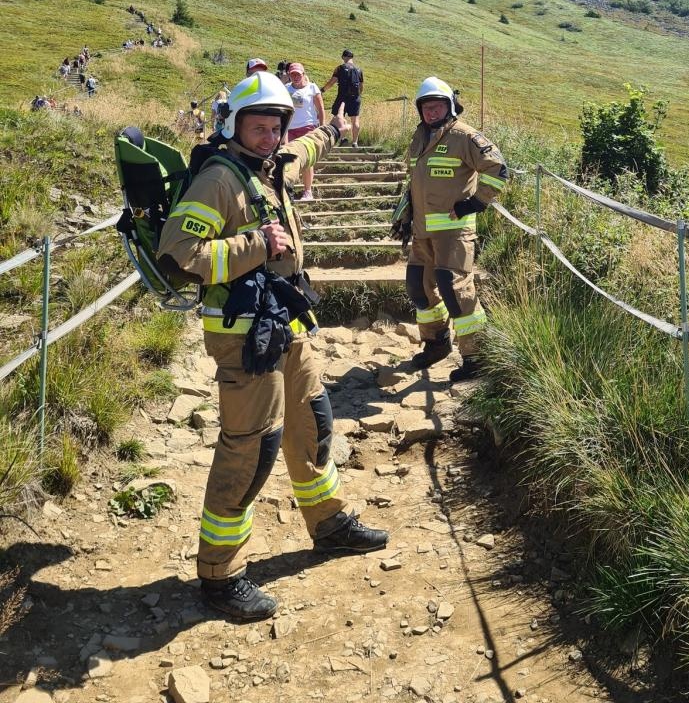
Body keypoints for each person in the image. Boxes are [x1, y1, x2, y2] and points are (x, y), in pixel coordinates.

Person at [156, 69, 388, 621]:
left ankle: (328, 523)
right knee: (250, 448)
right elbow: (178, 255)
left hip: (286, 322)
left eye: (274, 127)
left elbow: (307, 146)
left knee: (313, 421)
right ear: (235, 125)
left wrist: (331, 126)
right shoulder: (219, 179)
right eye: (256, 127)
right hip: (244, 337)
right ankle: (220, 574)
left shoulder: (271, 165)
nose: (267, 136)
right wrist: (256, 242)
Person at [399, 76, 508, 383]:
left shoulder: (464, 136)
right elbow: (415, 184)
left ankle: (476, 357)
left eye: (437, 107)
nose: (431, 113)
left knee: (455, 290)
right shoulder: (419, 137)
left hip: (454, 234)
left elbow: (498, 169)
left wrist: (474, 204)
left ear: (450, 107)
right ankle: (436, 343)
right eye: (426, 108)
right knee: (417, 287)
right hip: (422, 233)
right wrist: (406, 217)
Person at [286, 63, 326, 201]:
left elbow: (321, 109)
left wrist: (322, 127)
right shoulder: (286, 89)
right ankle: (288, 188)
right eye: (293, 74)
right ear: (289, 75)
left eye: (298, 74)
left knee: (307, 160)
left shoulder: (312, 88)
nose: (295, 77)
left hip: (308, 126)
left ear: (303, 74)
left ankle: (308, 191)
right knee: (289, 159)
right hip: (290, 128)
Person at [321, 50, 363, 147]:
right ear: (352, 57)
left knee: (338, 118)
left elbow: (332, 82)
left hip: (342, 97)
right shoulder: (359, 69)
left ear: (344, 57)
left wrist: (322, 90)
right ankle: (355, 142)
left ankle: (342, 138)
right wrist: (358, 95)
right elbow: (361, 86)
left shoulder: (340, 68)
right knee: (355, 120)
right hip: (355, 98)